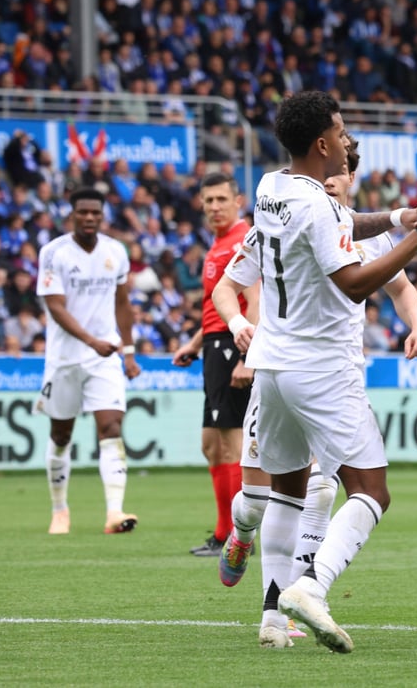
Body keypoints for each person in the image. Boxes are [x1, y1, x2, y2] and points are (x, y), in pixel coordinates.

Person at [210, 90, 417, 653]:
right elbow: (352, 283)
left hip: (272, 364)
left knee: (289, 493)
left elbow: (344, 220)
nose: (346, 136)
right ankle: (312, 589)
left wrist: (404, 217)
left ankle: (273, 621)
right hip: (321, 366)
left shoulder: (272, 188)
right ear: (323, 142)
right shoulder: (318, 207)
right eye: (341, 128)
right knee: (370, 491)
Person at [36, 188, 142, 535]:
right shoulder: (54, 252)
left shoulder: (115, 251)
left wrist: (127, 351)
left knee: (111, 428)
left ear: (102, 215)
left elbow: (123, 303)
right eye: (83, 212)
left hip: (105, 357)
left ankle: (114, 513)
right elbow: (55, 305)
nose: (89, 218)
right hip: (65, 359)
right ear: (72, 214)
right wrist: (91, 341)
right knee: (61, 434)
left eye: (95, 212)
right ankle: (58, 509)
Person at [171, 172, 260, 557]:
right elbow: (214, 306)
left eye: (221, 199)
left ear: (238, 201)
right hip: (214, 345)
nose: (214, 207)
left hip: (232, 347)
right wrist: (195, 343)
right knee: (212, 444)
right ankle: (226, 530)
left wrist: (247, 356)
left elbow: (255, 300)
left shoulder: (243, 239)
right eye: (207, 201)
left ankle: (235, 537)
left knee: (230, 443)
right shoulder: (219, 244)